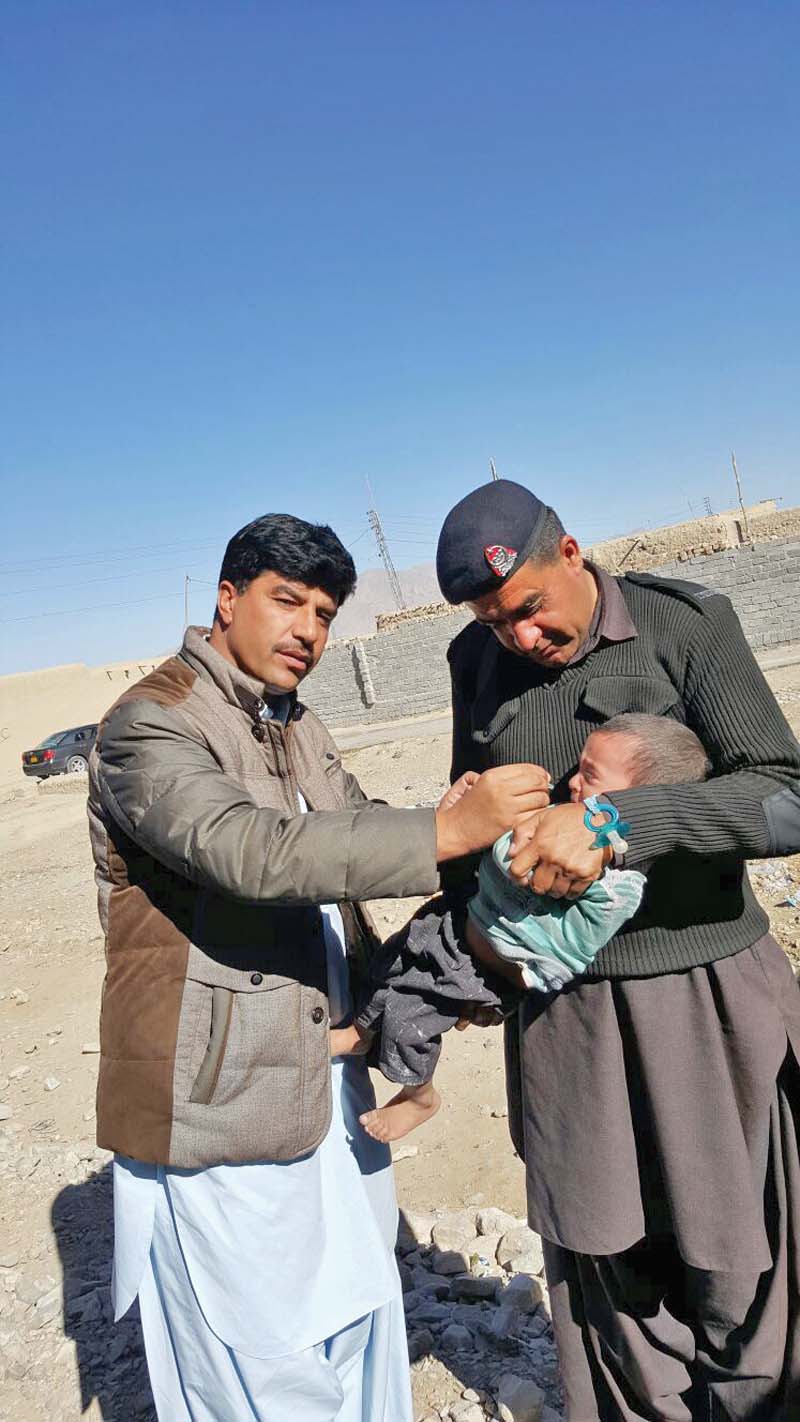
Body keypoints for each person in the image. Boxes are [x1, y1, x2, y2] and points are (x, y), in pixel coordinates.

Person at [86, 512, 550, 1422]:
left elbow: (349, 823)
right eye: (286, 601)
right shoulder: (150, 725)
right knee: (257, 1342)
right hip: (215, 1091)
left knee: (350, 1303)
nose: (309, 630)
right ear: (227, 599)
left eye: (326, 613)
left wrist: (449, 821)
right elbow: (251, 852)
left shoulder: (295, 723)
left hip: (321, 1056)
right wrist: (442, 831)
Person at [435, 477, 800, 1421]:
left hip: (702, 994)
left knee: (737, 1258)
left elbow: (785, 792)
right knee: (608, 1263)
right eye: (492, 619)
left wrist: (612, 821)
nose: (518, 636)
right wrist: (470, 954)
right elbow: (464, 822)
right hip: (566, 1013)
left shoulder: (686, 624)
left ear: (572, 553)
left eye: (526, 609)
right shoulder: (472, 661)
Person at [339, 714, 708, 1144]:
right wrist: (468, 809)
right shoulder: (561, 819)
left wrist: (591, 829)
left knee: (411, 1015)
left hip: (483, 970)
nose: (573, 781)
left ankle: (418, 1093)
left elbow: (522, 868)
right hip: (456, 926)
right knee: (394, 959)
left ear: (636, 800)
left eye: (589, 775)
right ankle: (362, 1032)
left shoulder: (616, 881)